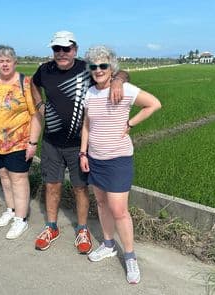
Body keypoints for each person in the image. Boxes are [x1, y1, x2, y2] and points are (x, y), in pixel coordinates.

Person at [31, 30, 129, 253]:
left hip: (80, 145)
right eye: (57, 49)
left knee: (80, 188)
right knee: (52, 186)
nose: (62, 53)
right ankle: (51, 227)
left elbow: (121, 72)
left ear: (75, 49)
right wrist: (39, 105)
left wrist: (118, 82)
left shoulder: (87, 67)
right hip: (52, 143)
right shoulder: (44, 70)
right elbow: (33, 84)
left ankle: (82, 229)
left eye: (67, 48)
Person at [79, 45, 161, 284]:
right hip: (95, 158)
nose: (98, 70)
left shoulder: (124, 89)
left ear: (111, 67)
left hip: (118, 159)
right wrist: (83, 153)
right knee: (102, 204)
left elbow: (153, 104)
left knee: (119, 210)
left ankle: (130, 256)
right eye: (93, 67)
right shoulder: (90, 93)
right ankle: (107, 244)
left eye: (103, 66)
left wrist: (131, 124)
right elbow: (87, 125)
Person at [0, 45, 41, 239]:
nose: (4, 64)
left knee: (18, 179)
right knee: (4, 177)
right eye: (1, 61)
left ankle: (21, 220)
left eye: (8, 61)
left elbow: (35, 115)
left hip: (18, 142)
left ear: (14, 63)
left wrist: (33, 143)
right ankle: (11, 210)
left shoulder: (24, 83)